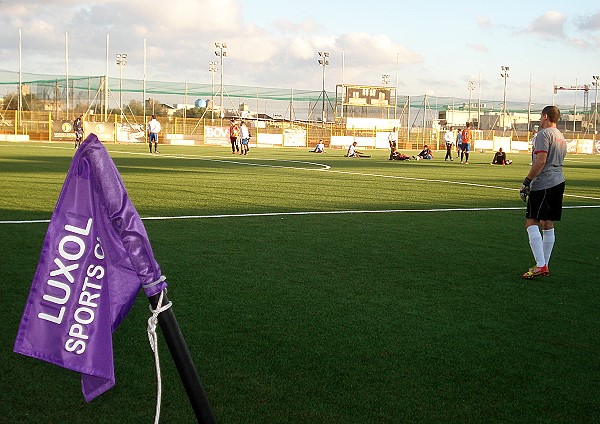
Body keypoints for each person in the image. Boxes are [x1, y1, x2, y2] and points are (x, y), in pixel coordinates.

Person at [519, 106, 567, 280]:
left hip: (544, 183)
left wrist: (527, 181)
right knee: (548, 223)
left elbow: (541, 160)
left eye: (541, 117)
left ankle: (540, 265)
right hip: (558, 181)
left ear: (545, 116)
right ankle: (544, 264)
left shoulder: (543, 134)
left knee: (531, 222)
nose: (540, 120)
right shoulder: (561, 136)